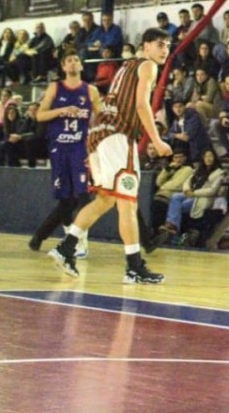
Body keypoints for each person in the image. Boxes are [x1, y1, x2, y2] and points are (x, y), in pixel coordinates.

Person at [48, 28, 173, 283]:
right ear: (146, 46)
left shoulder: (126, 65)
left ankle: (66, 248)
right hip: (117, 137)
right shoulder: (148, 66)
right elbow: (141, 105)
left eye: (168, 45)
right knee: (128, 203)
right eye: (160, 44)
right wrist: (157, 139)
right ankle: (134, 267)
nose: (165, 50)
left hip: (98, 135)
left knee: (105, 200)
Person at [29, 51, 102, 255]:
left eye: (76, 60)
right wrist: (61, 111)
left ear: (81, 66)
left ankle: (80, 243)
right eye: (69, 60)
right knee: (65, 198)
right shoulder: (55, 87)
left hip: (81, 147)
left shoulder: (91, 91)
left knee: (82, 195)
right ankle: (69, 238)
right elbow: (40, 115)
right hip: (59, 147)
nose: (73, 63)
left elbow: (101, 118)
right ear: (63, 67)